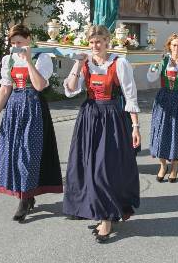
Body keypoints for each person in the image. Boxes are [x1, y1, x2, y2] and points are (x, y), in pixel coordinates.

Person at [62, 25, 141, 243]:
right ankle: (99, 211)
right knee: (87, 167)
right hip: (89, 118)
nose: (95, 46)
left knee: (103, 170)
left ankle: (106, 218)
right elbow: (70, 89)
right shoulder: (85, 64)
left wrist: (135, 127)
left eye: (99, 41)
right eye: (92, 42)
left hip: (112, 119)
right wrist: (77, 63)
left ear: (107, 41)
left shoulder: (119, 63)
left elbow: (130, 96)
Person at [0, 24, 63, 222]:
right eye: (13, 43)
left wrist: (28, 61)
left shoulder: (42, 58)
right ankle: (24, 196)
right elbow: (5, 89)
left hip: (34, 109)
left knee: (29, 154)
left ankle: (25, 198)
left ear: (29, 39)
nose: (16, 46)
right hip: (13, 110)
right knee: (13, 153)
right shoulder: (8, 59)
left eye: (19, 42)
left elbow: (39, 86)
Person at [147, 34, 178, 183]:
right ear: (169, 46)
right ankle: (163, 166)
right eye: (174, 45)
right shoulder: (163, 61)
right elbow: (151, 78)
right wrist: (153, 65)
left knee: (176, 134)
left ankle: (174, 168)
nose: (176, 48)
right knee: (161, 133)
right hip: (163, 100)